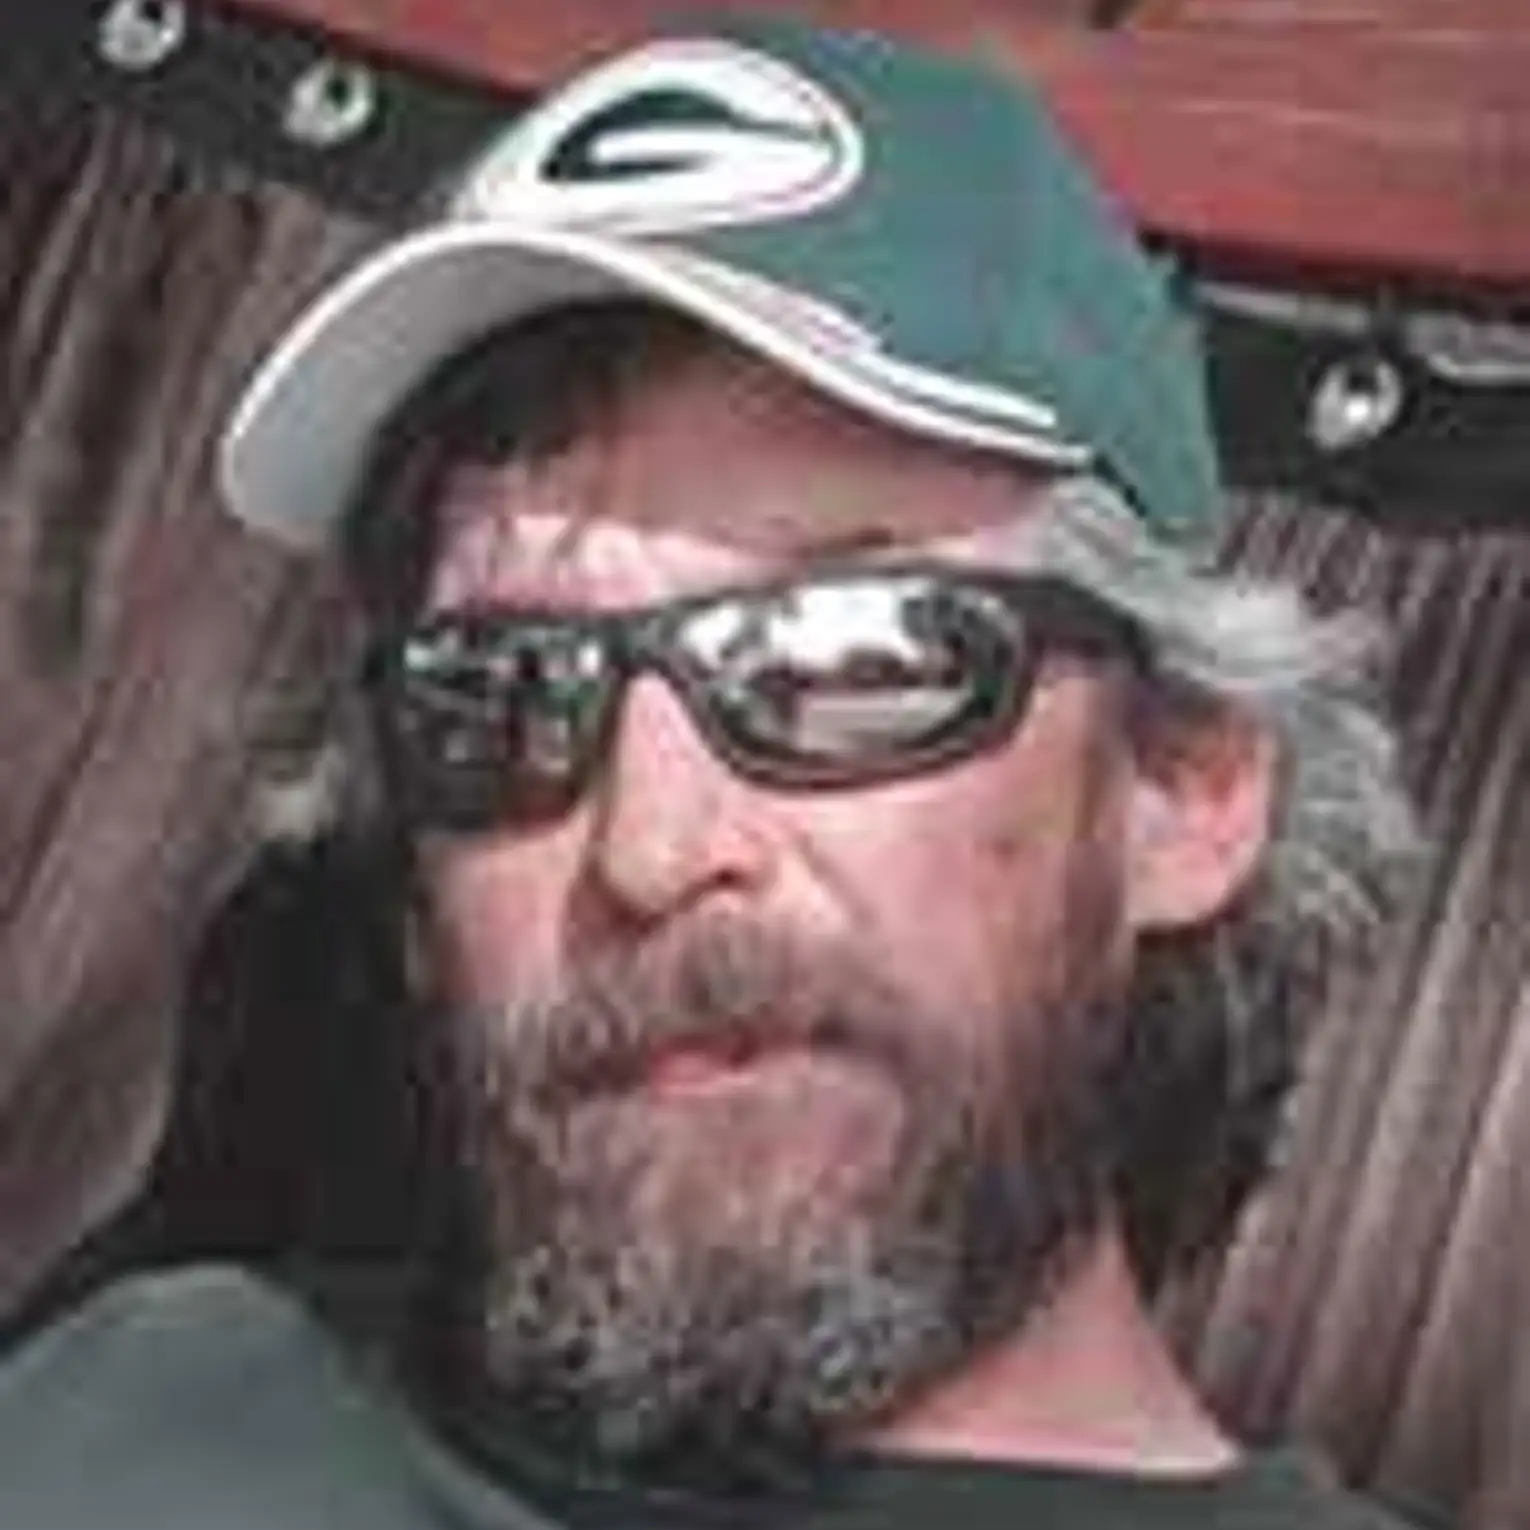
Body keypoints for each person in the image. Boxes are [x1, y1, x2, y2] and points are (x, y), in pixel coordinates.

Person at [0, 14, 1428, 1528]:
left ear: (1183, 792)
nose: (652, 849)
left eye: (849, 657)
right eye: (502, 688)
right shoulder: (129, 1413)